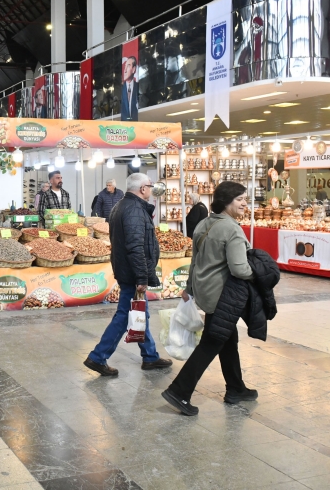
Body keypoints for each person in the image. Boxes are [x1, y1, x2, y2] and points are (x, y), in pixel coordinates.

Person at [162, 182, 274, 416]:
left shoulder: (204, 223)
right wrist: (261, 273)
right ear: (226, 201)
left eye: (245, 199)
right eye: (240, 199)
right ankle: (179, 391)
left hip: (205, 291)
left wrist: (190, 287)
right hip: (223, 296)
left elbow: (195, 261)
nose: (245, 203)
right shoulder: (232, 229)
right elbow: (239, 269)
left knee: (227, 339)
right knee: (212, 342)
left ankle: (236, 388)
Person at [84, 173, 172, 376]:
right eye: (150, 186)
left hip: (127, 269)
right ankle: (98, 357)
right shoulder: (133, 209)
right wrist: (142, 277)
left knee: (140, 313)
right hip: (132, 273)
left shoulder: (124, 206)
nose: (151, 190)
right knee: (125, 315)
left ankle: (150, 356)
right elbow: (135, 246)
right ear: (143, 189)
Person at [120, 56, 139, 121]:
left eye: (128, 66)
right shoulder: (120, 89)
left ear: (133, 69)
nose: (124, 70)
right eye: (124, 66)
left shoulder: (138, 87)